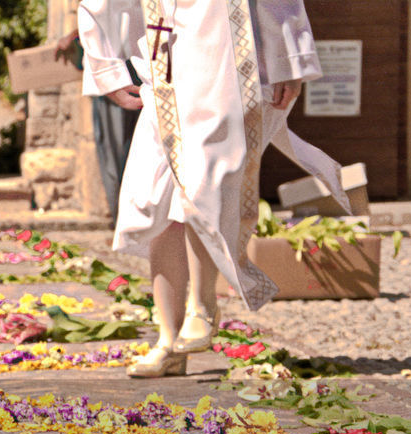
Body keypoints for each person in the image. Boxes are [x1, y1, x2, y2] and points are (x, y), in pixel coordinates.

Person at [78, 0, 349, 378]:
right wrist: (105, 66)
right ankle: (168, 342)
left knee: (202, 179)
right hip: (163, 65)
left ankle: (201, 305)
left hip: (223, 61)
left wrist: (287, 59)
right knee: (155, 198)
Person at [57, 29, 139, 226]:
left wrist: (72, 35)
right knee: (123, 152)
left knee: (117, 153)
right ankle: (126, 221)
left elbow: (98, 10)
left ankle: (126, 221)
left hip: (117, 67)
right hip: (123, 65)